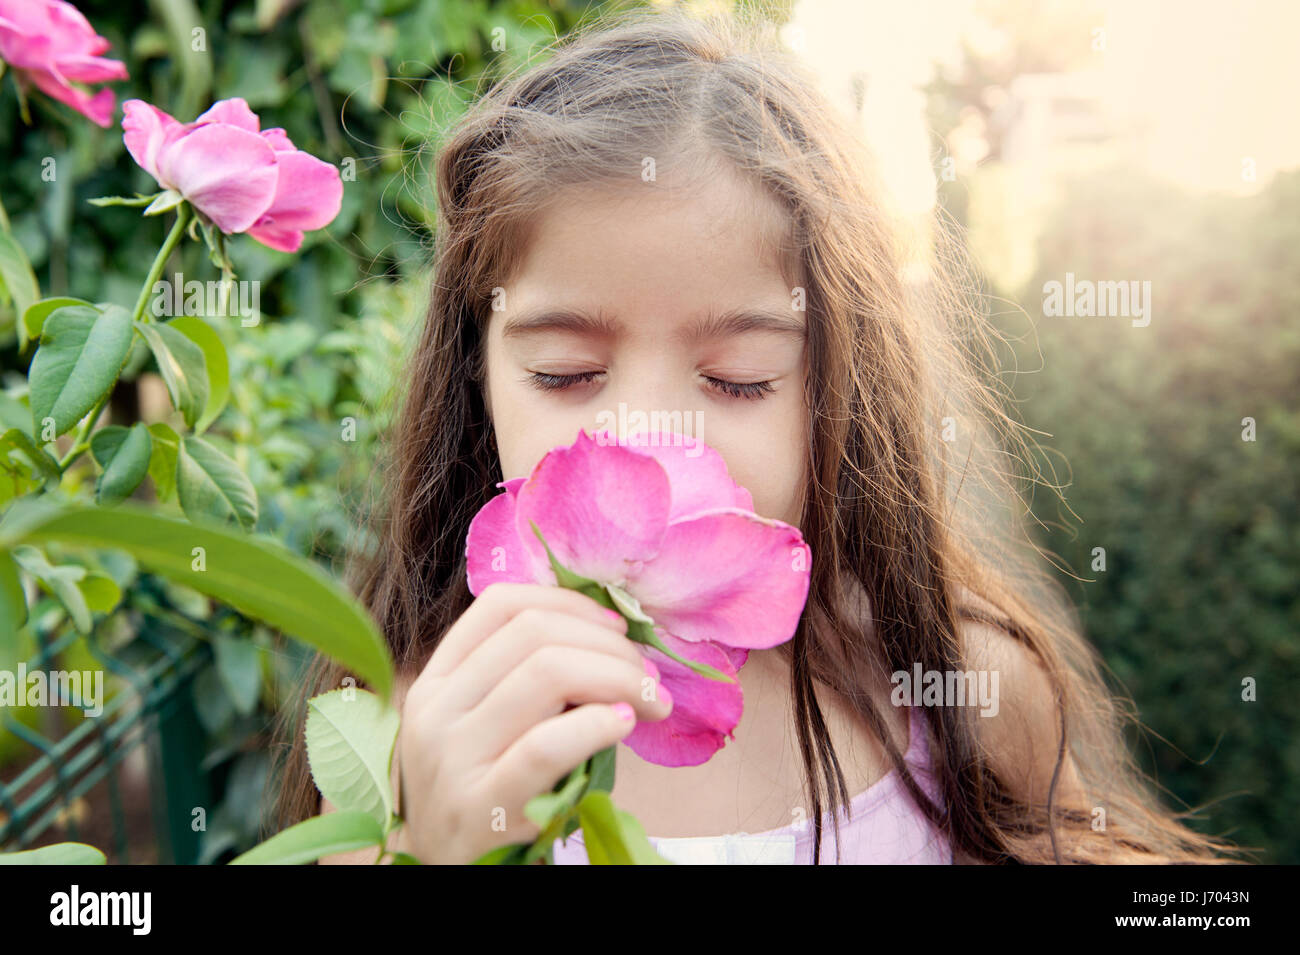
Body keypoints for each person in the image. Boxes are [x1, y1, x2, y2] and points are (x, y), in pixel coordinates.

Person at [272, 6, 1237, 865]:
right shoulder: (416, 732)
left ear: (839, 389)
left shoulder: (965, 700)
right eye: (565, 374)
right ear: (476, 377)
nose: (647, 436)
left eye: (740, 380)